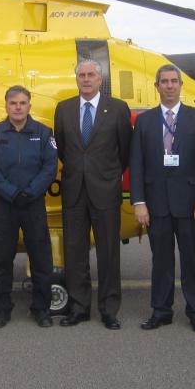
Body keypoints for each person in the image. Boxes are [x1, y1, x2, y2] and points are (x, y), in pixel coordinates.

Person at [129, 64, 195, 333]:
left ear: (180, 85)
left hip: (191, 205)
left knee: (192, 260)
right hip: (156, 205)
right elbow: (137, 164)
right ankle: (161, 310)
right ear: (156, 86)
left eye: (173, 81)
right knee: (161, 261)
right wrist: (139, 202)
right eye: (163, 81)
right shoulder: (144, 121)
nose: (169, 85)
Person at [53, 59, 132, 330]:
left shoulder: (118, 109)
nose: (86, 79)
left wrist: (107, 175)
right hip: (74, 190)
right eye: (82, 75)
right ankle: (79, 307)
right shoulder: (63, 109)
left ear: (100, 79)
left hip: (106, 191)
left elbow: (125, 151)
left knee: (108, 252)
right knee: (75, 252)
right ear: (76, 79)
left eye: (91, 75)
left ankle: (109, 309)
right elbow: (63, 149)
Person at [0, 86, 58, 328]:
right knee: (1, 260)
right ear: (6, 105)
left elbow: (50, 167)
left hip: (33, 205)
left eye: (22, 103)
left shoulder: (44, 133)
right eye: (13, 103)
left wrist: (31, 192)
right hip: (6, 205)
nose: (18, 107)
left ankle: (41, 309)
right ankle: (2, 310)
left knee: (41, 258)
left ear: (29, 106)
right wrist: (12, 193)